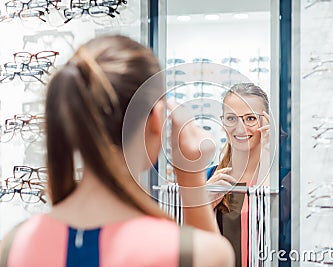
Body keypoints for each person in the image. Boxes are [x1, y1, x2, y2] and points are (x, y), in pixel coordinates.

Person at [0, 35, 234, 267]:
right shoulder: (197, 252)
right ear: (156, 118)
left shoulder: (13, 246)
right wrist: (191, 179)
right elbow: (210, 254)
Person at [206, 83, 270, 267]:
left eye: (250, 118)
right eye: (231, 118)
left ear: (266, 122)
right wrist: (205, 203)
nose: (241, 128)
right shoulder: (210, 177)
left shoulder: (284, 180)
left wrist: (267, 153)